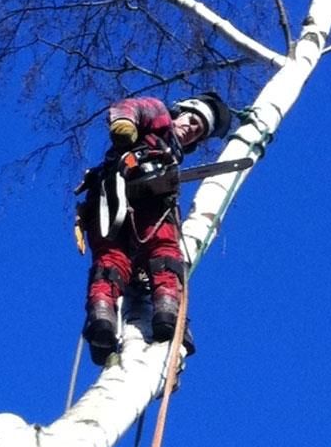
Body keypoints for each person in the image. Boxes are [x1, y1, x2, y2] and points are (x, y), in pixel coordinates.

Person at [77, 92, 231, 365]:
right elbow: (130, 106)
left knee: (128, 260)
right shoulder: (159, 115)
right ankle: (119, 315)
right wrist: (124, 124)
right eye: (192, 121)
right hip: (127, 193)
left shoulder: (172, 153)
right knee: (159, 252)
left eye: (198, 131)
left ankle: (144, 313)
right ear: (180, 112)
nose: (191, 130)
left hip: (121, 200)